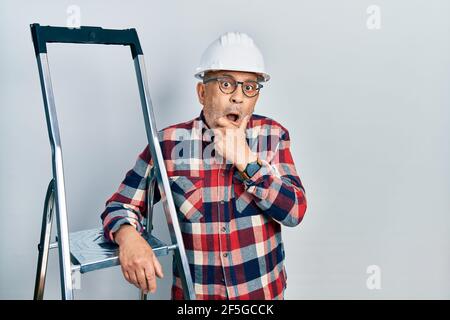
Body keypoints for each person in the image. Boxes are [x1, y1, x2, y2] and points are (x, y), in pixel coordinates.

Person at [100, 31, 307, 300]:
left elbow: (295, 211)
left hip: (262, 295)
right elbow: (120, 206)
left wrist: (248, 162)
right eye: (226, 84)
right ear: (201, 92)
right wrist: (128, 237)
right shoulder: (168, 144)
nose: (238, 98)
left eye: (249, 87)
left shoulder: (272, 136)